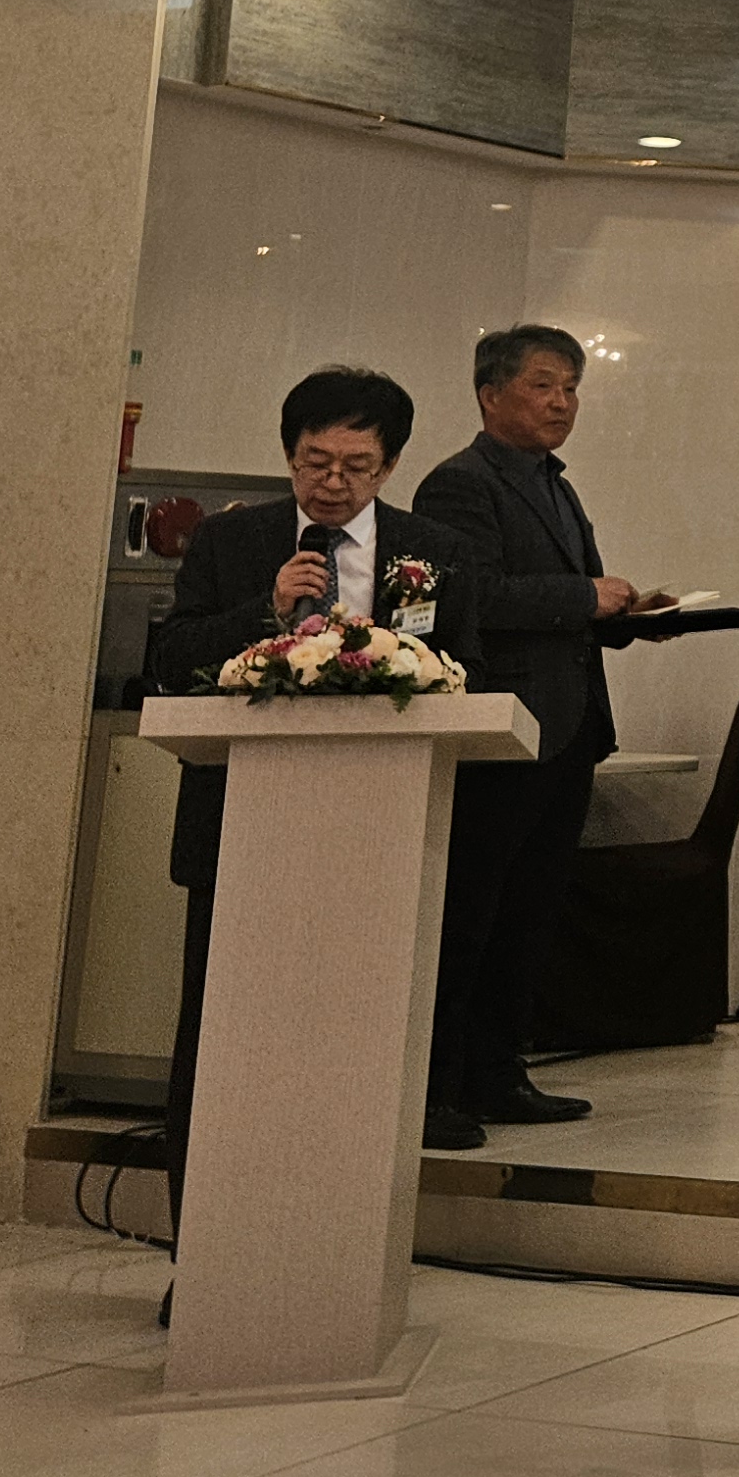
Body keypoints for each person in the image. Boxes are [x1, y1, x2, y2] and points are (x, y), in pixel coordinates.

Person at [148, 365, 484, 1197]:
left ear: (390, 465)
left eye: (356, 467)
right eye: (315, 462)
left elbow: (465, 674)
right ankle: (201, 1235)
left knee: (357, 1036)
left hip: (379, 835)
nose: (333, 483)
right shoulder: (232, 542)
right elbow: (173, 660)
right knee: (220, 1032)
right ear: (289, 455)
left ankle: (335, 1215)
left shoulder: (436, 553)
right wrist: (266, 611)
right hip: (241, 828)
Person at [413, 324, 656, 1134]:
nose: (562, 403)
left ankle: (497, 1072)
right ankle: (435, 1083)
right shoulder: (460, 485)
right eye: (544, 386)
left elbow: (565, 602)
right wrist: (587, 598)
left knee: (529, 913)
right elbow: (469, 597)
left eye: (572, 388)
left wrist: (626, 617)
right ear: (490, 395)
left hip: (567, 727)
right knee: (471, 911)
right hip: (503, 730)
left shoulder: (555, 483)